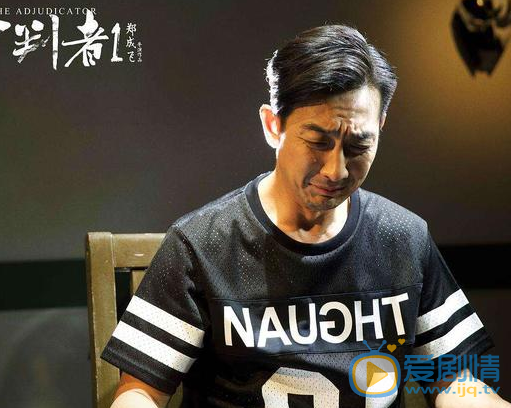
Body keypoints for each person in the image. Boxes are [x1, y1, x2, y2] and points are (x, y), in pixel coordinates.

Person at [100, 24, 508, 408]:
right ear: (273, 126)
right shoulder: (202, 245)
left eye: (358, 146)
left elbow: (456, 380)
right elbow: (141, 391)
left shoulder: (403, 238)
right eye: (317, 141)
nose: (336, 171)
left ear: (381, 126)